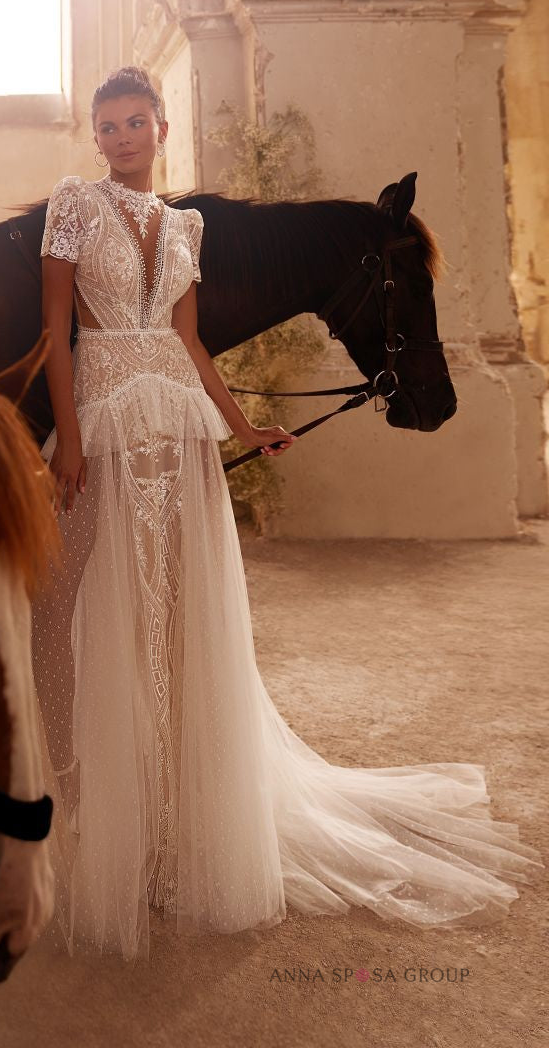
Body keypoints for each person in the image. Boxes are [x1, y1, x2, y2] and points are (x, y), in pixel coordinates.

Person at [29, 66, 543, 963]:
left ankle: (170, 815)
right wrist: (67, 440)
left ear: (159, 128)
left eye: (135, 122)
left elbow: (189, 341)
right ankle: (78, 803)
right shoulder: (73, 205)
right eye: (107, 125)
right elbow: (57, 334)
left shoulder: (186, 226)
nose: (120, 138)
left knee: (174, 614)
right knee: (65, 604)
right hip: (104, 423)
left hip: (179, 429)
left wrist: (244, 426)